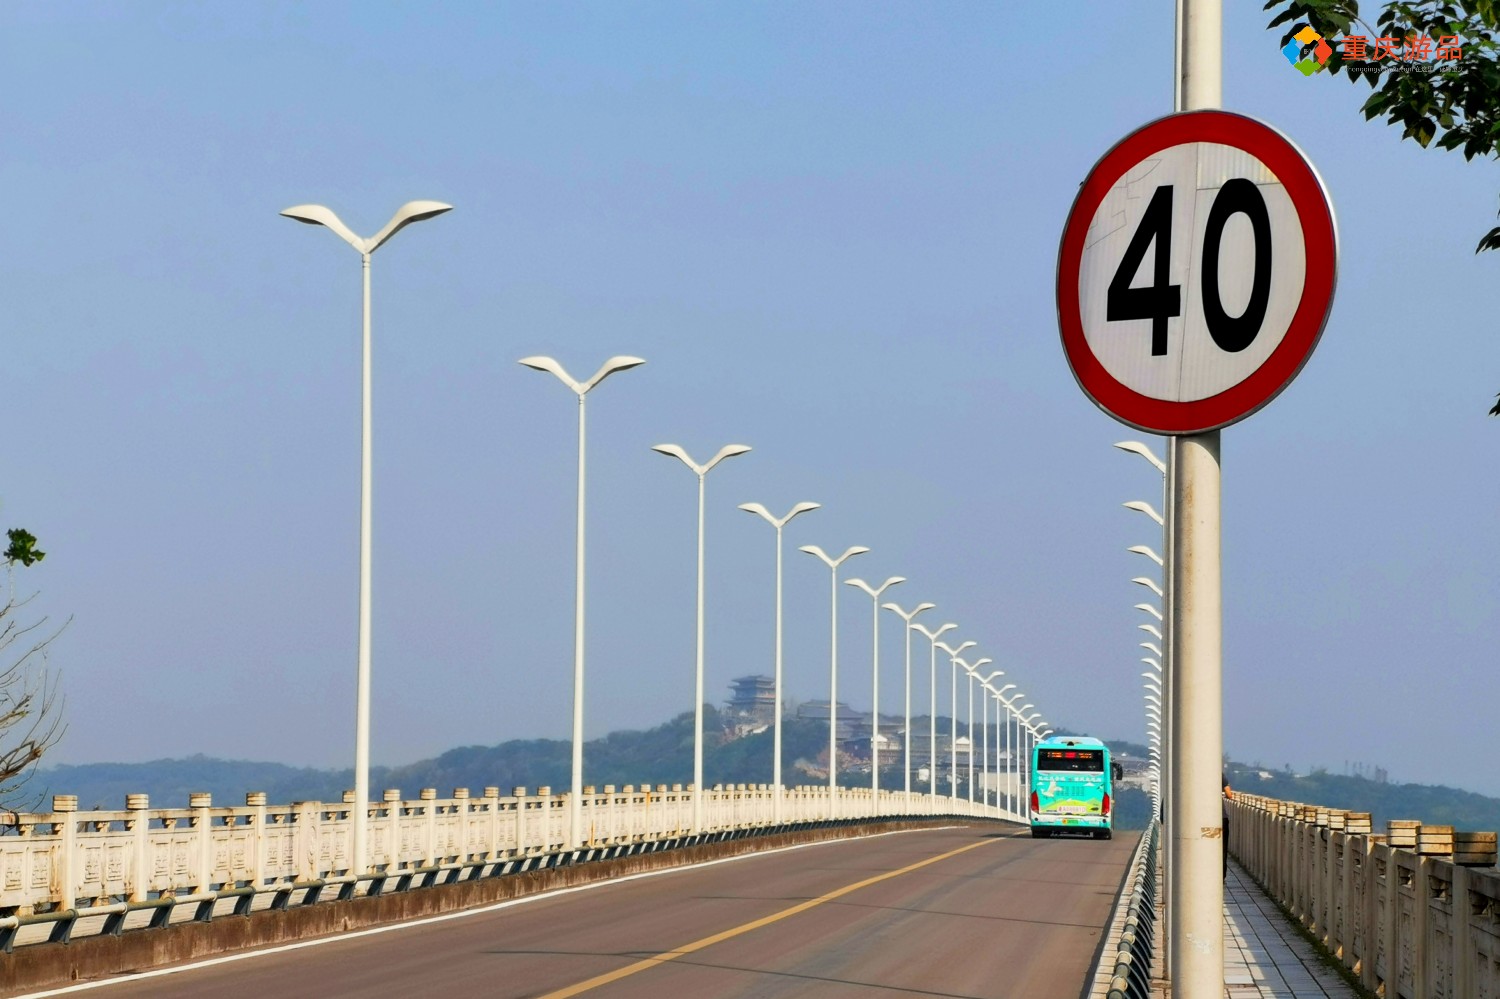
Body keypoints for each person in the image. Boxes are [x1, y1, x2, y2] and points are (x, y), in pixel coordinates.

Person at [1222, 773, 1233, 877]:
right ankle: (1222, 874)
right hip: (1222, 817)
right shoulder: (1220, 776)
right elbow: (1229, 794)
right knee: (1223, 849)